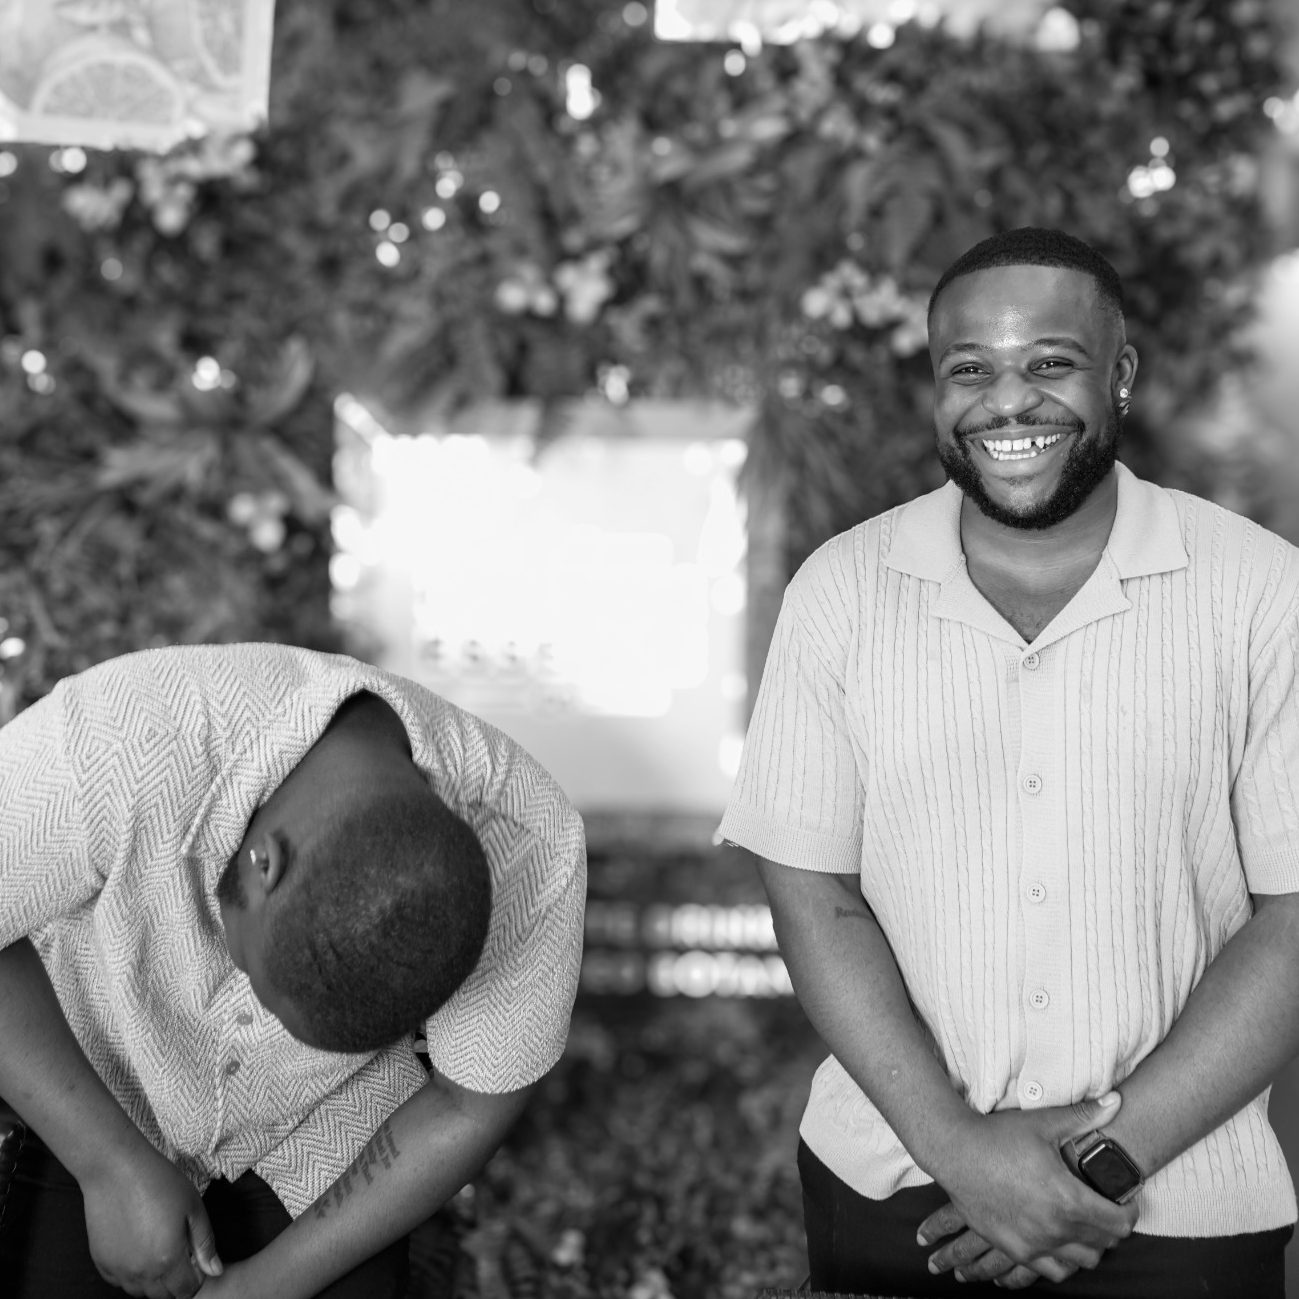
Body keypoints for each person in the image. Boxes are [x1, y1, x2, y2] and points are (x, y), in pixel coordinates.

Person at [719, 227, 1299, 1297]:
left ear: (1118, 375)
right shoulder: (842, 592)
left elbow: (1295, 918)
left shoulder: (1264, 595)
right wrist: (962, 1152)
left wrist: (1092, 1167)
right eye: (970, 369)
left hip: (1182, 1207)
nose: (1008, 402)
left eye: (1050, 364)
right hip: (896, 1187)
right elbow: (812, 890)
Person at [0, 641, 586, 1298]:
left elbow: (467, 1105)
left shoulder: (534, 851)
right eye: (269, 990)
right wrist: (108, 1164)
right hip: (91, 1076)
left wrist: (269, 1286)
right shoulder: (127, 732)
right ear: (262, 861)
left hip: (327, 1135)